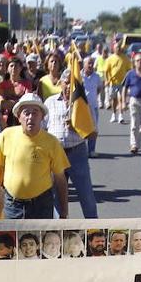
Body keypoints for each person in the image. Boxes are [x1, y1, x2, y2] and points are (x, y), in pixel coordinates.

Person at [0, 93, 70, 219]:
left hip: (42, 205)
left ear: (42, 117)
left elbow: (60, 179)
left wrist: (64, 212)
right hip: (12, 205)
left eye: (35, 113)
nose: (30, 117)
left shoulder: (52, 142)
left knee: (41, 239)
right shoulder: (6, 136)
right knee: (12, 238)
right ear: (18, 117)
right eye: (26, 113)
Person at [44, 69, 98, 218]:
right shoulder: (50, 102)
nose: (69, 86)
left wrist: (77, 127)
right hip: (56, 155)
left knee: (86, 195)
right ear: (60, 83)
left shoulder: (83, 103)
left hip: (77, 153)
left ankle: (94, 230)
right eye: (66, 82)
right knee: (56, 196)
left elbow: (94, 133)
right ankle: (58, 232)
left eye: (73, 83)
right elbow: (42, 129)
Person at [122, 54, 141, 154]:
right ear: (134, 62)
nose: (140, 63)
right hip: (134, 100)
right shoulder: (130, 74)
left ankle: (140, 144)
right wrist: (123, 102)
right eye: (137, 61)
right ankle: (133, 144)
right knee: (134, 123)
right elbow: (125, 87)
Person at [80, 57, 103, 156]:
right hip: (82, 108)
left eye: (92, 63)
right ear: (84, 64)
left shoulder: (97, 77)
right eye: (89, 63)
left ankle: (91, 150)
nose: (91, 65)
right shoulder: (79, 76)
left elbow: (99, 89)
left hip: (93, 107)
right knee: (82, 129)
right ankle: (81, 150)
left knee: (93, 130)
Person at [103, 43, 130, 124]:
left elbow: (129, 69)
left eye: (119, 47)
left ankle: (121, 116)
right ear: (113, 49)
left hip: (122, 83)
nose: (118, 49)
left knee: (121, 99)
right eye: (116, 48)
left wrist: (128, 80)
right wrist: (106, 80)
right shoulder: (110, 59)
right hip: (113, 83)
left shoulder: (125, 58)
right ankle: (114, 114)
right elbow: (106, 71)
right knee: (114, 100)